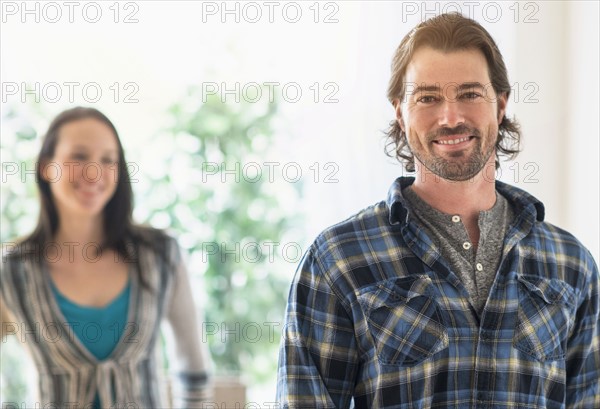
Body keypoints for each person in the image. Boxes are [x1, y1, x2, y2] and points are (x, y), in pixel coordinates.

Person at [276, 13, 599, 408]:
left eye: (469, 94)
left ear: (500, 105)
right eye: (428, 97)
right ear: (400, 111)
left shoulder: (570, 264)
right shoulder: (337, 259)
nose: (451, 117)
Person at [1, 107, 212, 408]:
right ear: (47, 166)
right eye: (79, 156)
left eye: (108, 160)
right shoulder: (12, 272)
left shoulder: (161, 255)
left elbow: (194, 369)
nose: (94, 172)